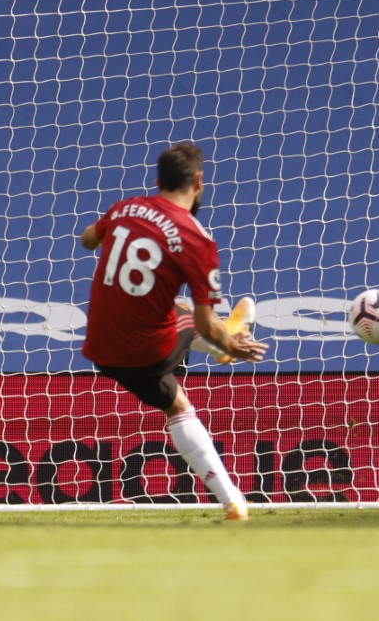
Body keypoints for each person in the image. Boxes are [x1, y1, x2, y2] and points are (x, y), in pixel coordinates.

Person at [80, 142, 267, 521]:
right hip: (148, 350)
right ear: (199, 181)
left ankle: (233, 501)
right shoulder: (196, 238)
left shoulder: (124, 208)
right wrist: (228, 340)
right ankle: (223, 349)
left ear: (157, 180)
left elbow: (87, 240)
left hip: (101, 348)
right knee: (190, 315)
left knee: (178, 405)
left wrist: (106, 231)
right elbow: (204, 322)